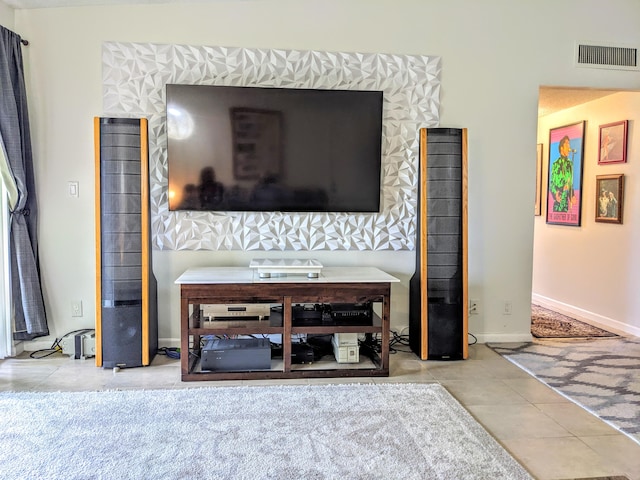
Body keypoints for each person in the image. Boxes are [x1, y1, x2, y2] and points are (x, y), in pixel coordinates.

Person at [550, 136, 575, 212]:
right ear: (561, 148)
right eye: (567, 144)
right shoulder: (556, 164)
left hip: (566, 202)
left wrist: (572, 195)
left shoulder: (570, 164)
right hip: (558, 201)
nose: (569, 147)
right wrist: (555, 194)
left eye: (569, 144)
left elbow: (570, 182)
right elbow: (551, 183)